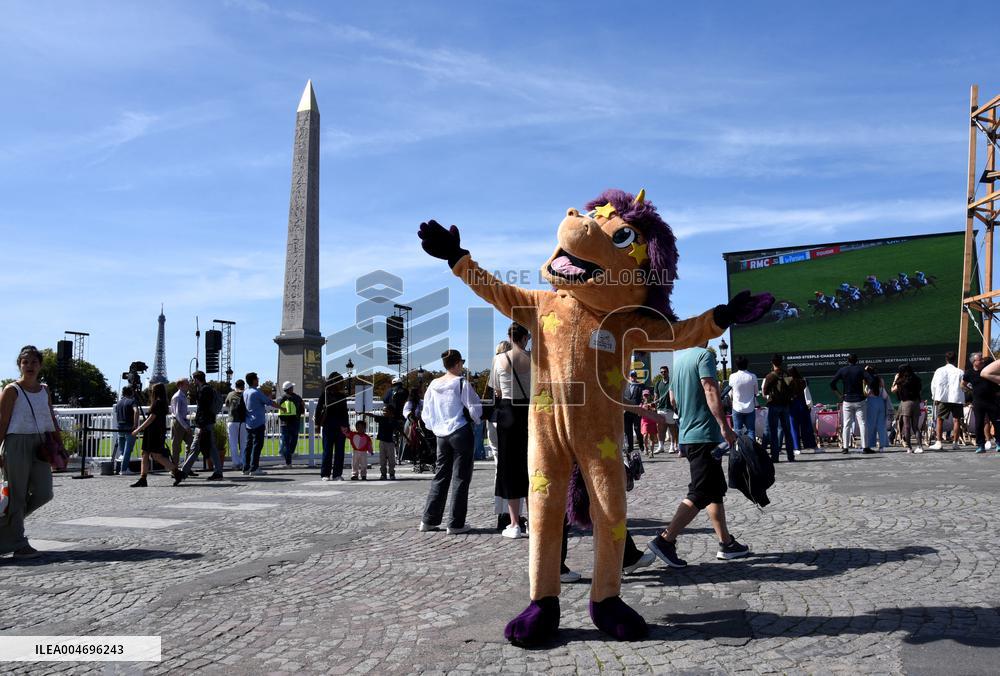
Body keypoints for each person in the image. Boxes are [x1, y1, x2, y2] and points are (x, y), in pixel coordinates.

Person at [647, 345, 750, 567]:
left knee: (714, 490)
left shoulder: (680, 361)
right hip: (705, 434)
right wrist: (724, 425)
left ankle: (726, 543)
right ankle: (665, 539)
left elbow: (673, 400)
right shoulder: (705, 356)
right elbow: (710, 389)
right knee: (701, 491)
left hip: (689, 434)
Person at [0, 345, 57, 559]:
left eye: (34, 362)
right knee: (17, 496)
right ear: (19, 365)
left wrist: (59, 445)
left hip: (41, 443)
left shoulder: (44, 390)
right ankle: (19, 544)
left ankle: (5, 529)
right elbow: (2, 422)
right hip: (16, 443)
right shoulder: (11, 390)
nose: (30, 366)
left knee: (44, 492)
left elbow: (50, 418)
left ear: (40, 365)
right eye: (25, 362)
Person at [418, 349, 482, 534]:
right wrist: (477, 421)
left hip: (441, 435)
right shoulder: (461, 383)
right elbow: (474, 407)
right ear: (457, 364)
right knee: (461, 478)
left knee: (440, 475)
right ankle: (455, 523)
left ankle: (428, 520)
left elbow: (426, 412)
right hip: (459, 430)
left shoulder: (433, 384)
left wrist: (435, 427)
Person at [490, 323, 531, 539]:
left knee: (509, 469)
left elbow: (496, 389)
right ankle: (534, 520)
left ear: (509, 336)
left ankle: (514, 523)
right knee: (531, 466)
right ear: (524, 338)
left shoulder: (498, 359)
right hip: (528, 412)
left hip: (506, 413)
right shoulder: (532, 359)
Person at [130, 382, 186, 487]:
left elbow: (151, 418)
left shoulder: (157, 403)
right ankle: (143, 478)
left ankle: (177, 472)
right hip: (156, 432)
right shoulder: (162, 403)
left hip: (153, 433)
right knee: (146, 454)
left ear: (155, 392)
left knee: (156, 456)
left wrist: (138, 429)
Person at [181, 371, 224, 480]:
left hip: (203, 423)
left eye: (193, 379)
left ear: (196, 379)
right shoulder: (208, 389)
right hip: (208, 422)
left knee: (195, 448)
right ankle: (218, 472)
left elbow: (203, 408)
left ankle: (183, 472)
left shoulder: (204, 390)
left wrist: (200, 423)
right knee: (211, 448)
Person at [830, 354, 874, 454]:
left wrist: (839, 395)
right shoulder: (860, 370)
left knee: (846, 424)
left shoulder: (843, 370)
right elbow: (872, 380)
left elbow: (832, 383)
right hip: (859, 400)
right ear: (856, 360)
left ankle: (845, 447)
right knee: (862, 424)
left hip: (847, 400)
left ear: (847, 361)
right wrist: (868, 392)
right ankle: (865, 447)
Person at [963, 352, 1000, 454]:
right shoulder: (969, 373)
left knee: (997, 423)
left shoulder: (988, 371)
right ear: (974, 362)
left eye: (982, 359)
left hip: (992, 401)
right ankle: (980, 445)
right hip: (978, 402)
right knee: (979, 424)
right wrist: (970, 391)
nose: (982, 361)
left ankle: (998, 443)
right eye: (980, 359)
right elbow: (963, 384)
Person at [761, 354, 795, 462]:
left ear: (772, 363)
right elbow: (792, 388)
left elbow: (765, 391)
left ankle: (775, 457)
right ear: (781, 362)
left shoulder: (770, 376)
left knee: (773, 431)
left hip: (774, 404)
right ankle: (791, 456)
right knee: (787, 431)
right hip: (785, 405)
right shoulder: (787, 374)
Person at [243, 372, 278, 476]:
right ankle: (254, 468)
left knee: (248, 445)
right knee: (257, 445)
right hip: (258, 422)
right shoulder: (256, 392)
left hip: (248, 422)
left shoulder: (246, 392)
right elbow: (269, 402)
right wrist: (281, 408)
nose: (258, 380)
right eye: (257, 379)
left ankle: (246, 468)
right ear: (253, 380)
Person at [316, 372, 349, 480]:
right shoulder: (324, 394)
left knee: (340, 452)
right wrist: (317, 424)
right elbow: (318, 410)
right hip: (328, 426)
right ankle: (325, 474)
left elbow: (345, 412)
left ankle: (337, 474)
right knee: (327, 451)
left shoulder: (342, 396)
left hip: (340, 427)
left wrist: (346, 426)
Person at [929, 352, 965, 450]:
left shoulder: (939, 370)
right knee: (957, 420)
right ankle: (955, 443)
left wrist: (935, 396)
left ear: (946, 359)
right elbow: (964, 385)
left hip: (943, 398)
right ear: (955, 359)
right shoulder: (960, 372)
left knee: (940, 420)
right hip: (956, 398)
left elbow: (934, 384)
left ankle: (939, 442)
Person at [892, 364, 924, 453]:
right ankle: (920, 446)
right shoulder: (917, 379)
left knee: (907, 426)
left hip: (906, 403)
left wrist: (895, 379)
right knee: (916, 427)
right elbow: (920, 391)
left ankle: (909, 447)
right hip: (916, 402)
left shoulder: (901, 381)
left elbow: (893, 390)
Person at [787, 367, 817, 454]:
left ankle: (796, 448)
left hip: (792, 406)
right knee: (807, 428)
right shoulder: (803, 381)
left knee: (794, 428)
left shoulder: (788, 382)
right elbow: (806, 393)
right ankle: (810, 445)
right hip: (803, 406)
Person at [363, 405, 398, 480]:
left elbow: (398, 430)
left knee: (391, 459)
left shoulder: (393, 420)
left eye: (385, 411)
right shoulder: (381, 419)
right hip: (382, 441)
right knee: (382, 459)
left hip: (390, 442)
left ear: (391, 412)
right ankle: (383, 474)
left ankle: (392, 473)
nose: (384, 412)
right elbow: (372, 415)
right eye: (383, 410)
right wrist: (364, 413)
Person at [728, 356, 758, 439]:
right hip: (750, 408)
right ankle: (751, 451)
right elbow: (756, 392)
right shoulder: (753, 376)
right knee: (751, 431)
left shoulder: (732, 376)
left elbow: (730, 393)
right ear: (747, 365)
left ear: (737, 365)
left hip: (737, 407)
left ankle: (739, 450)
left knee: (737, 431)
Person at [277, 381, 304, 467]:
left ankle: (288, 460)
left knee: (286, 443)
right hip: (295, 422)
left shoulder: (281, 398)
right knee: (293, 441)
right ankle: (289, 456)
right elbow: (302, 408)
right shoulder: (297, 397)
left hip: (284, 423)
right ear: (290, 389)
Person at [863, 366, 890, 452]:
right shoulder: (880, 379)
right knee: (881, 424)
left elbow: (866, 393)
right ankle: (884, 443)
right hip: (881, 402)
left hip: (871, 403)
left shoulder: (867, 381)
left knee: (870, 424)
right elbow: (884, 391)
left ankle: (870, 443)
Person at [652, 365, 677, 454]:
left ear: (668, 372)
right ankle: (661, 446)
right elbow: (656, 396)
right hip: (660, 409)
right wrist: (654, 403)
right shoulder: (658, 383)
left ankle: (672, 446)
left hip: (671, 409)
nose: (663, 373)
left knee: (672, 429)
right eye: (661, 372)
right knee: (660, 429)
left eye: (665, 372)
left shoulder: (672, 382)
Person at [114, 386, 139, 475]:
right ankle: (124, 469)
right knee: (128, 449)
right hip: (129, 427)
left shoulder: (119, 403)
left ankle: (122, 467)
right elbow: (136, 411)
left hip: (120, 427)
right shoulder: (132, 401)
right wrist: (135, 424)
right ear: (131, 392)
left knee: (122, 450)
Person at [225, 379, 248, 471]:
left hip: (232, 420)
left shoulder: (231, 394)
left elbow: (227, 404)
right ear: (243, 385)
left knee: (233, 443)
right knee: (243, 443)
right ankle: (243, 462)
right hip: (243, 421)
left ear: (236, 385)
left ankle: (235, 463)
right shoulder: (246, 393)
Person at [169, 378, 193, 466]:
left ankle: (186, 467)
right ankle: (174, 469)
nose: (188, 385)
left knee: (191, 444)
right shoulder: (178, 396)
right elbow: (177, 413)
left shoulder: (182, 396)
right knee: (176, 447)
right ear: (180, 385)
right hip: (178, 422)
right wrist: (186, 426)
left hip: (182, 421)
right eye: (186, 384)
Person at [622, 371, 645, 454]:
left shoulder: (641, 385)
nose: (633, 377)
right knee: (628, 430)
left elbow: (644, 398)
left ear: (636, 377)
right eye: (631, 376)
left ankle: (641, 444)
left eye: (634, 376)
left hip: (636, 411)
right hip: (627, 412)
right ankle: (630, 447)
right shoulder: (625, 386)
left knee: (637, 429)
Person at [640, 391, 658, 458]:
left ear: (649, 395)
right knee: (645, 436)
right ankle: (646, 448)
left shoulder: (652, 403)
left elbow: (655, 411)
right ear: (642, 396)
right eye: (645, 395)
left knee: (651, 437)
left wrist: (650, 408)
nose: (646, 396)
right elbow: (639, 414)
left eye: (647, 395)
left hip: (652, 421)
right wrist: (642, 409)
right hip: (645, 421)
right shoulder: (641, 403)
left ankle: (651, 452)